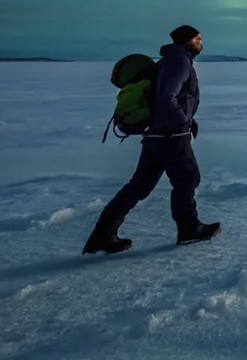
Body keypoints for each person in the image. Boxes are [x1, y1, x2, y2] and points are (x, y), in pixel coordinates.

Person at [82, 25, 221, 254]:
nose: (201, 42)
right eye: (197, 39)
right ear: (186, 41)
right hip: (171, 136)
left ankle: (102, 235)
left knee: (139, 186)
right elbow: (168, 97)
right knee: (187, 180)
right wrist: (182, 122)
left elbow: (169, 98)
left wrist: (189, 119)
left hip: (156, 135)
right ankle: (189, 229)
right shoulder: (179, 62)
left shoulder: (167, 62)